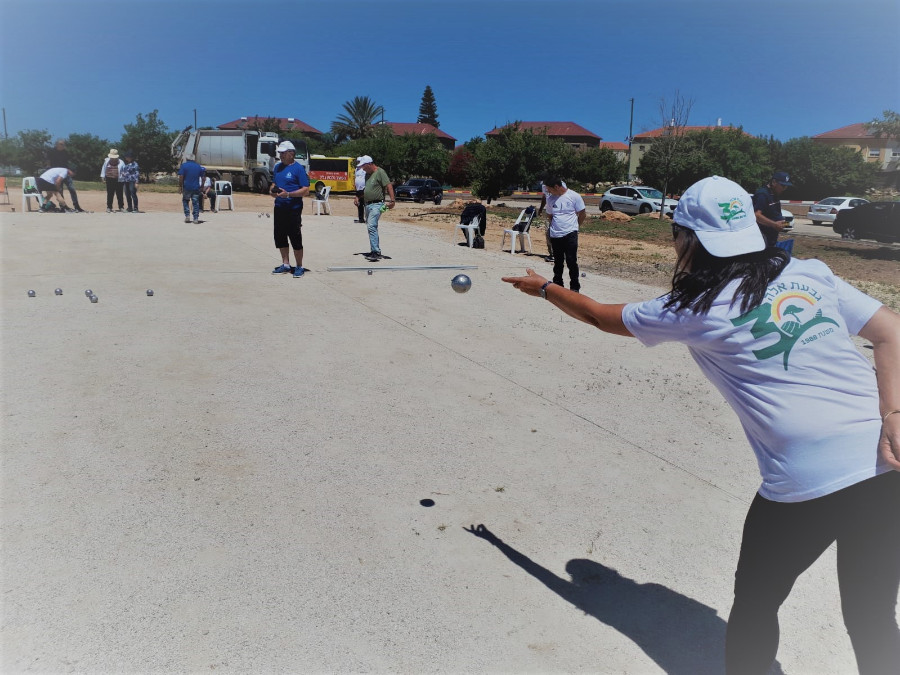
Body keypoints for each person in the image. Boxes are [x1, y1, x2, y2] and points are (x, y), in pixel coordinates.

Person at [503, 175, 900, 675]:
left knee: (756, 604)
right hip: (887, 465)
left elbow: (602, 316)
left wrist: (545, 289)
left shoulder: (691, 306)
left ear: (685, 237)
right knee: (870, 614)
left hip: (804, 483)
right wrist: (894, 415)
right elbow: (891, 331)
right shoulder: (810, 272)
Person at [268, 141, 310, 278]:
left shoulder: (298, 169)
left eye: (283, 153)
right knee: (280, 236)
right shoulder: (278, 167)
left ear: (291, 154)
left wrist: (289, 194)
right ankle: (285, 264)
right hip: (279, 207)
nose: (280, 155)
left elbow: (306, 190)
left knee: (295, 236)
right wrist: (272, 191)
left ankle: (299, 266)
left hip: (293, 208)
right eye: (280, 153)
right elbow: (274, 183)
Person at [543, 176, 586, 293]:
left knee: (571, 261)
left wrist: (575, 227)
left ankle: (574, 286)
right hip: (556, 235)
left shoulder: (574, 196)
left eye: (549, 189)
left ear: (556, 187)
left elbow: (582, 213)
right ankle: (557, 284)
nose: (548, 191)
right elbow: (550, 215)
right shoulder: (551, 199)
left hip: (570, 234)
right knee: (558, 261)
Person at [354, 155, 395, 260]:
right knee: (370, 226)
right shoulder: (367, 175)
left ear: (369, 164)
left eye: (364, 166)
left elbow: (388, 185)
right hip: (367, 204)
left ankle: (376, 252)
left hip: (378, 204)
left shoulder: (380, 172)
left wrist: (392, 201)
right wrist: (358, 197)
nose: (362, 168)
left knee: (372, 226)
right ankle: (373, 250)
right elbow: (367, 189)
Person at [752, 171, 792, 247]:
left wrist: (784, 223)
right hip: (762, 237)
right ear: (774, 182)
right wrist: (774, 224)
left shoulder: (775, 194)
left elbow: (774, 214)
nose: (784, 189)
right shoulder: (763, 194)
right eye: (783, 186)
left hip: (772, 237)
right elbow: (756, 215)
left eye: (786, 187)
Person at [46, 139, 84, 212]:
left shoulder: (66, 152)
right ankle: (63, 207)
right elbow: (48, 162)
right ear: (57, 145)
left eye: (64, 144)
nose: (64, 146)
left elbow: (68, 162)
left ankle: (77, 206)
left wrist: (70, 170)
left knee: (72, 189)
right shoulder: (51, 152)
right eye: (62, 144)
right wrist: (50, 170)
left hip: (65, 172)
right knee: (60, 191)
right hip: (57, 174)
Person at [537, 179, 566, 261]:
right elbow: (544, 197)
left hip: (559, 211)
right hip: (549, 211)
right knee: (548, 232)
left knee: (559, 232)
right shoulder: (543, 185)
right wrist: (541, 209)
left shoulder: (561, 183)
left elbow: (564, 196)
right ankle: (552, 254)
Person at [177, 153, 205, 224]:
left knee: (185, 201)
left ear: (187, 159)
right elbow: (203, 178)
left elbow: (181, 177)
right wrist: (202, 186)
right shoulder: (198, 166)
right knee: (195, 203)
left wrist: (180, 186)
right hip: (196, 187)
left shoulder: (184, 166)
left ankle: (187, 216)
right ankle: (195, 218)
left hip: (187, 187)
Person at [100, 148, 125, 213]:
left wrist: (124, 177)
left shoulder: (121, 162)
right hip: (109, 179)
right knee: (110, 194)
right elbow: (103, 169)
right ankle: (109, 207)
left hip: (119, 180)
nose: (113, 159)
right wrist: (103, 177)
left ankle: (121, 207)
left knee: (119, 194)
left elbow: (124, 171)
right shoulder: (106, 161)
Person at [354, 158, 367, 223]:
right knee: (359, 204)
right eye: (357, 161)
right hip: (358, 189)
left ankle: (368, 219)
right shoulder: (356, 169)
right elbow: (356, 178)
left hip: (364, 188)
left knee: (366, 204)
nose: (358, 162)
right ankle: (361, 219)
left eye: (359, 161)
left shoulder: (364, 169)